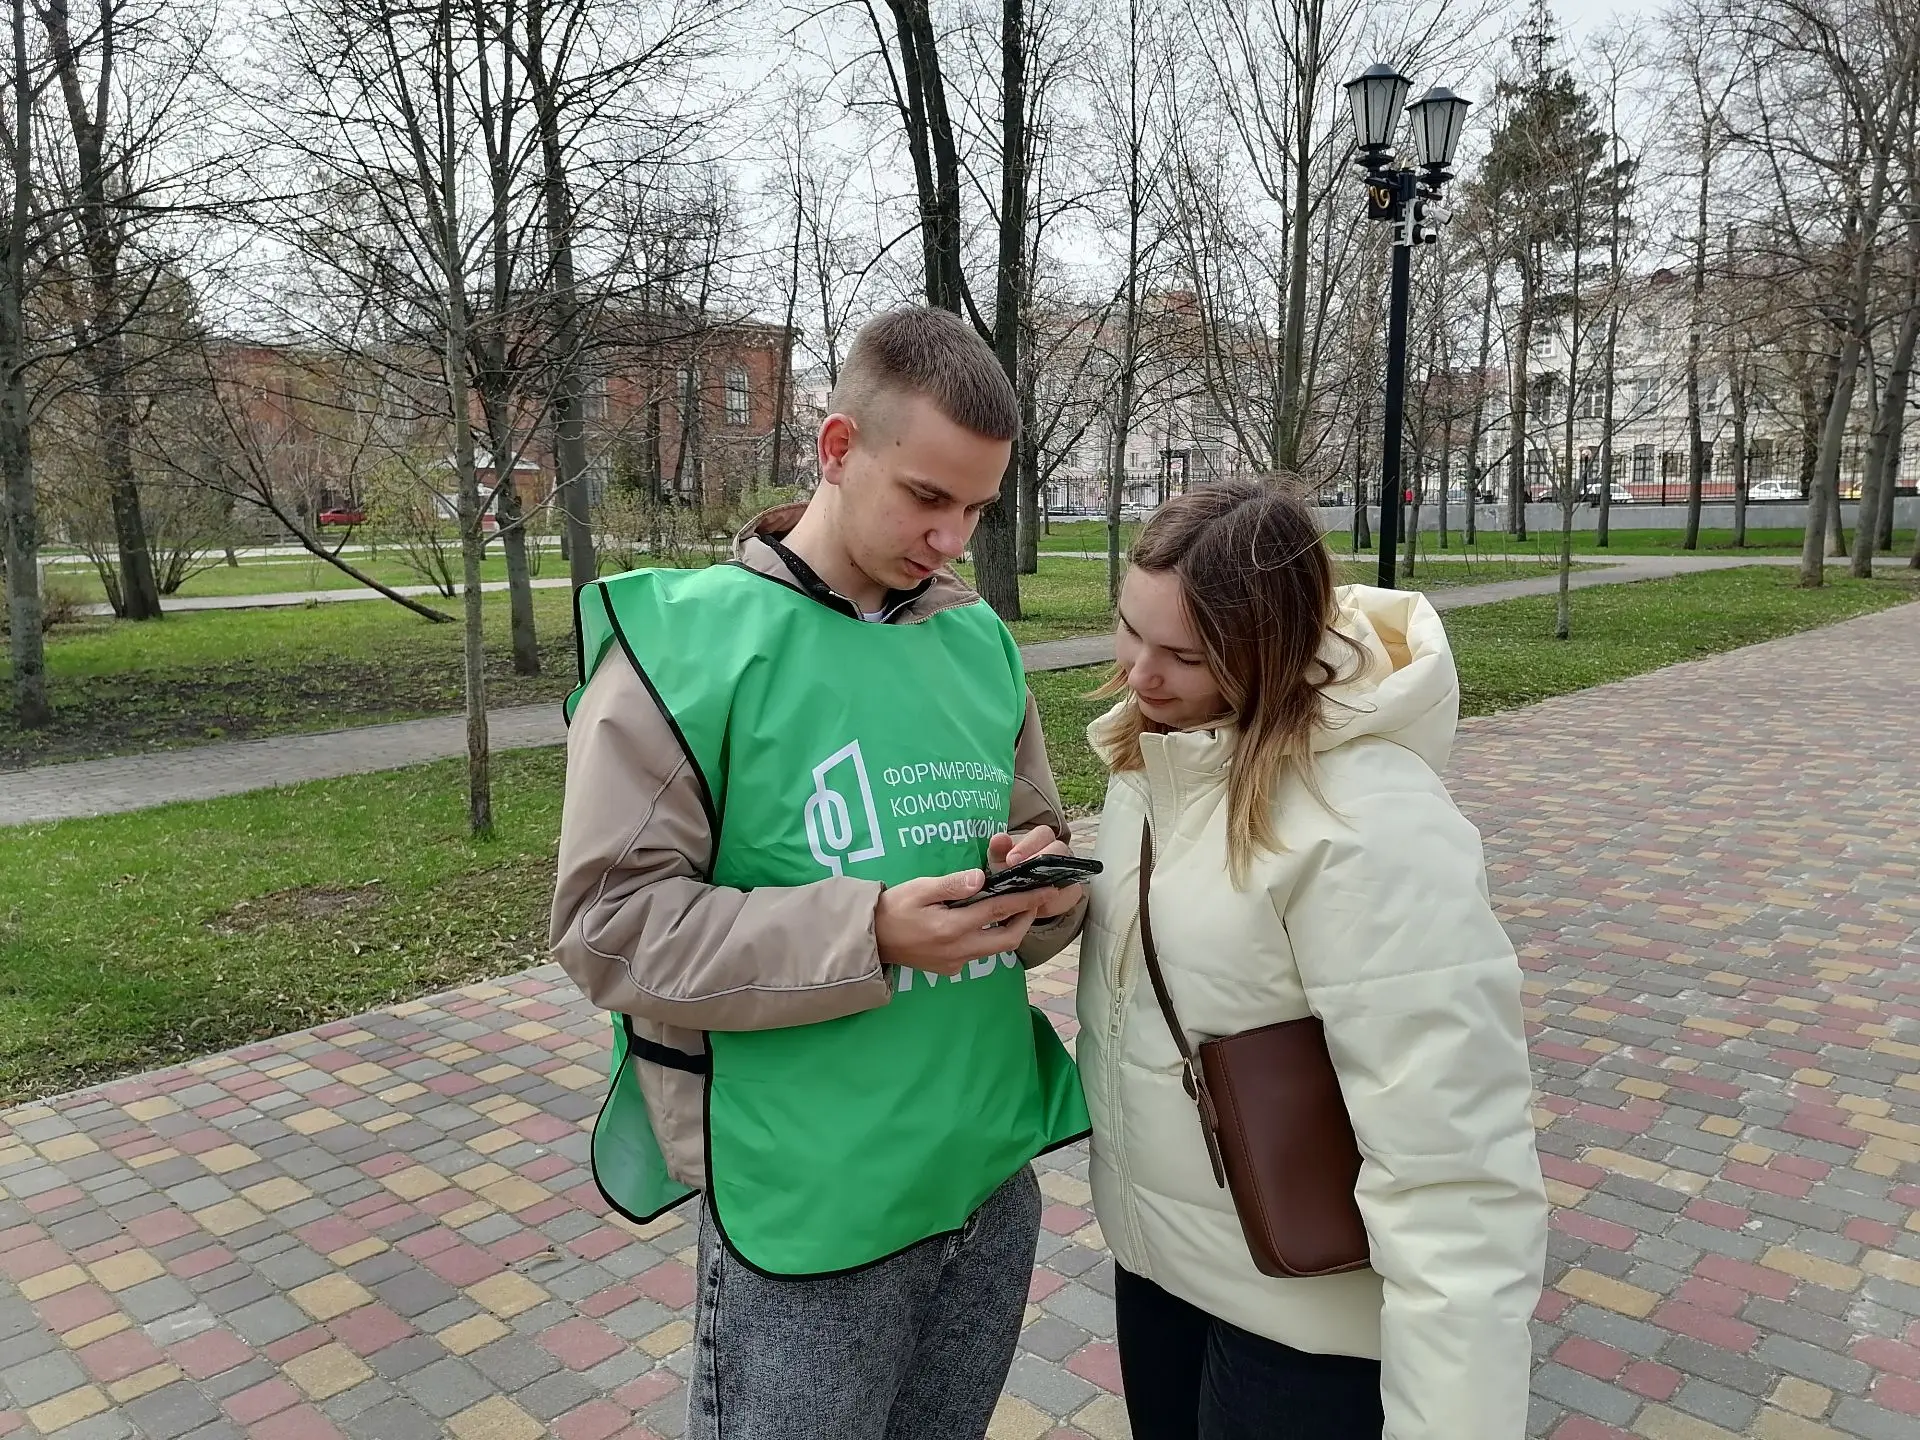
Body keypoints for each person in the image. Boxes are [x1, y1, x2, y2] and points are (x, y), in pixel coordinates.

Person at [549, 306, 1091, 1440]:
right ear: (838, 448)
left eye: (977, 509)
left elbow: (1031, 846)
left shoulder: (978, 642)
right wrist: (870, 934)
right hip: (809, 1212)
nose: (951, 539)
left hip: (988, 1183)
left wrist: (1045, 886)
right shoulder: (684, 649)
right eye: (927, 496)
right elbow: (609, 928)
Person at [1075, 479, 1547, 1439]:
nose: (1139, 676)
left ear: (1269, 649)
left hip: (1305, 1322)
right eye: (1129, 629)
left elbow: (1456, 1164)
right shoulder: (1163, 754)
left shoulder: (1371, 820)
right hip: (1162, 1267)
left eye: (1185, 655)